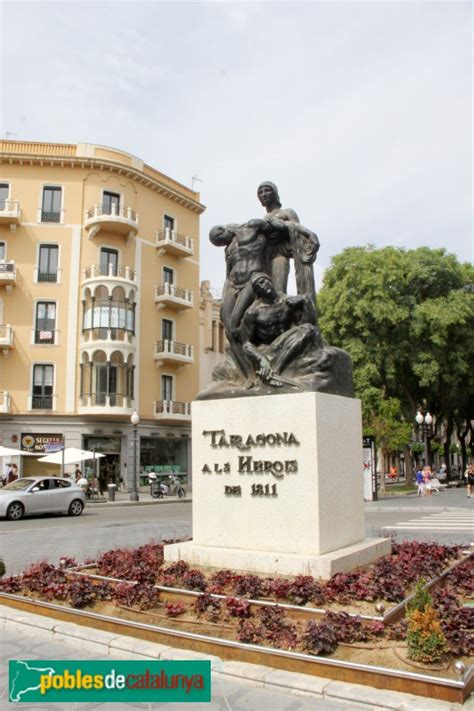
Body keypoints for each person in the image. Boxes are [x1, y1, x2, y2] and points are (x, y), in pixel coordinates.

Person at [239, 272, 323, 386]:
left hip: (286, 340)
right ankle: (275, 370)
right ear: (257, 292)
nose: (262, 286)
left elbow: (305, 325)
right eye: (258, 287)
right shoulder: (253, 312)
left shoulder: (288, 301)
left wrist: (304, 301)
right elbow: (246, 343)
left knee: (309, 329)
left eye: (263, 281)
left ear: (270, 280)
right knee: (308, 329)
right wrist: (261, 359)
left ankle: (276, 370)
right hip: (270, 347)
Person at [257, 181, 320, 299]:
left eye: (267, 190)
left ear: (275, 193)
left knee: (278, 293)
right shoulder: (263, 219)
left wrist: (282, 225)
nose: (264, 194)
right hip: (264, 258)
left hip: (280, 254)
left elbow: (299, 232)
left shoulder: (287, 212)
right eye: (260, 192)